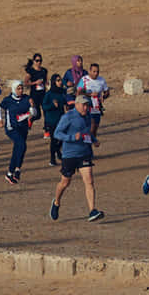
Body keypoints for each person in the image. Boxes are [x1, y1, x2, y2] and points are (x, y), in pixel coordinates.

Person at [50, 91, 103, 222]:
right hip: (70, 155)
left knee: (89, 180)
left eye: (87, 105)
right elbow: (57, 133)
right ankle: (56, 202)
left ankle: (92, 210)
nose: (86, 108)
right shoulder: (68, 117)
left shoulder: (87, 116)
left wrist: (94, 139)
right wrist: (72, 137)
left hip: (84, 153)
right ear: (77, 105)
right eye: (84, 105)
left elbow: (86, 132)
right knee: (65, 182)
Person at [0, 79, 35, 186]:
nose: (20, 90)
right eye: (18, 88)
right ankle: (18, 170)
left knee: (18, 149)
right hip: (11, 128)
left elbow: (34, 113)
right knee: (22, 145)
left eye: (21, 88)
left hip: (23, 128)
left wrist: (32, 107)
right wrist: (0, 120)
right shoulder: (8, 100)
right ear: (14, 89)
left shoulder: (27, 98)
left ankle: (10, 173)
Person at [41, 75, 70, 167]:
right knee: (54, 140)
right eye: (58, 80)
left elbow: (65, 101)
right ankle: (52, 159)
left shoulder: (62, 92)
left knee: (62, 137)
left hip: (61, 119)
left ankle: (58, 151)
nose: (60, 82)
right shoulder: (49, 94)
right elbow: (44, 106)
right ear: (53, 82)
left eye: (60, 80)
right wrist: (53, 105)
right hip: (51, 120)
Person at [82, 63, 110, 143]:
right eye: (94, 71)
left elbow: (107, 92)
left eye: (97, 71)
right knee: (91, 126)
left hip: (97, 107)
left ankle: (90, 144)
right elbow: (78, 91)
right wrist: (89, 94)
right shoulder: (84, 79)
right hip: (87, 106)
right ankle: (87, 146)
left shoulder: (101, 80)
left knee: (95, 129)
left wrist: (104, 96)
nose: (96, 73)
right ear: (89, 71)